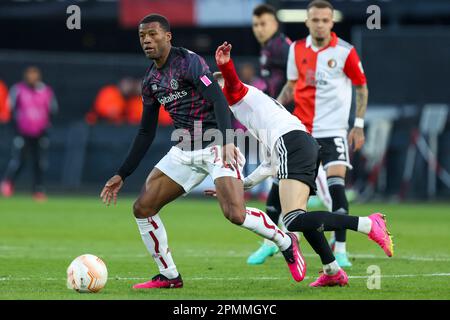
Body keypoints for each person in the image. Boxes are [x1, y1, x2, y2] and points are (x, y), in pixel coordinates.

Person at [99, 14, 304, 290]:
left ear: (168, 36)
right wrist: (122, 174)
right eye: (142, 36)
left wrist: (227, 139)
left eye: (153, 34)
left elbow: (218, 99)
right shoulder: (150, 81)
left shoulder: (188, 62)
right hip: (184, 149)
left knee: (235, 213)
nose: (147, 40)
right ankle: (169, 275)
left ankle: (284, 240)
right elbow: (145, 132)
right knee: (142, 208)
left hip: (216, 144)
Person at [212, 41, 392, 287]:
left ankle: (369, 224)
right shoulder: (251, 108)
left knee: (294, 219)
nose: (213, 98)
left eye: (215, 89)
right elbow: (268, 164)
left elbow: (230, 82)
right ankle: (332, 271)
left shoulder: (235, 94)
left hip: (294, 144)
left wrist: (225, 65)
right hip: (300, 143)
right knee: (303, 218)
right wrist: (240, 184)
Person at [277, 0, 369, 267]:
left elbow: (361, 88)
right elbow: (291, 87)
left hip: (334, 130)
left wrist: (359, 124)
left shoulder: (345, 52)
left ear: (332, 22)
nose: (320, 24)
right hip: (302, 131)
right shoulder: (296, 49)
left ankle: (340, 248)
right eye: (315, 20)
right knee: (283, 188)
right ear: (307, 21)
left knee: (336, 183)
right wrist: (271, 112)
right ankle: (282, 244)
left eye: (325, 20)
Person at [247, 3, 332, 266]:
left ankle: (339, 244)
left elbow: (300, 82)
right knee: (276, 184)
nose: (259, 29)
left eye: (264, 24)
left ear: (275, 24)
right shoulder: (269, 50)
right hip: (283, 130)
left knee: (323, 188)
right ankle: (272, 242)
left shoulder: (283, 49)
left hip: (297, 130)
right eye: (256, 25)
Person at [0, 66, 58, 201]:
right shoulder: (18, 90)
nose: (32, 78)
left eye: (35, 75)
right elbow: (10, 109)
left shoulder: (46, 91)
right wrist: (15, 128)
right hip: (22, 132)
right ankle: (8, 183)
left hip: (40, 132)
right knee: (19, 160)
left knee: (40, 162)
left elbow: (53, 110)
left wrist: (46, 126)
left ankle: (38, 189)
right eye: (30, 75)